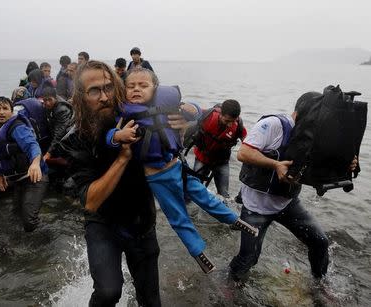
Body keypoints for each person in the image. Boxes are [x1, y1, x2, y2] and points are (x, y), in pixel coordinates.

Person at [107, 68, 258, 274]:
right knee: (178, 216)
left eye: (143, 86)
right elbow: (108, 135)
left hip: (178, 167)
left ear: (155, 89)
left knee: (207, 197)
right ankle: (199, 255)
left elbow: (197, 111)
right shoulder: (124, 115)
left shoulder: (166, 106)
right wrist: (117, 136)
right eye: (130, 86)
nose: (136, 90)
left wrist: (192, 109)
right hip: (157, 177)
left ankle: (236, 221)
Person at [59, 61, 165, 306]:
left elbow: (174, 104)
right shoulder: (75, 137)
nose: (105, 97)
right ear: (80, 97)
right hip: (103, 224)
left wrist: (187, 111)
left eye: (109, 87)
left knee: (150, 299)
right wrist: (123, 157)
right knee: (108, 292)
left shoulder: (137, 116)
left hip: (141, 220)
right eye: (94, 91)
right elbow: (91, 200)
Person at [229, 92, 359, 282]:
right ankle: (229, 286)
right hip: (256, 206)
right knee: (249, 258)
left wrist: (347, 164)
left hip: (287, 204)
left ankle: (320, 285)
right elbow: (244, 152)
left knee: (320, 242)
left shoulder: (313, 136)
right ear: (301, 114)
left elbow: (321, 170)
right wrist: (275, 165)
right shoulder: (274, 125)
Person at [0, 96, 48, 232]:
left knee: (28, 221)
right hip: (18, 180)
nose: (2, 112)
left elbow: (32, 145)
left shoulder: (18, 127)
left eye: (5, 109)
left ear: (11, 112)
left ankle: (45, 236)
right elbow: (0, 154)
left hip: (35, 178)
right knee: (16, 215)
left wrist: (35, 163)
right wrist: (0, 174)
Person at [192, 100, 247, 199]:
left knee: (224, 196)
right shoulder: (207, 116)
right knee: (193, 191)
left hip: (222, 162)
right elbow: (191, 110)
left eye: (233, 121)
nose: (230, 125)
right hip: (202, 158)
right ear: (220, 114)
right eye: (227, 121)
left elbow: (248, 143)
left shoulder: (238, 126)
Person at [41, 87, 72, 161]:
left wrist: (49, 153)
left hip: (69, 140)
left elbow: (60, 133)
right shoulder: (49, 107)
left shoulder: (62, 110)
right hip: (58, 138)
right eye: (45, 100)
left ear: (55, 98)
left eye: (50, 99)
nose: (47, 103)